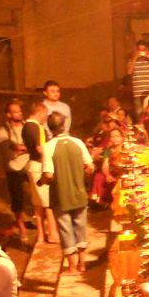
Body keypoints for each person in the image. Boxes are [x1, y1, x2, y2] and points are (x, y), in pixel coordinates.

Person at [41, 112, 92, 274]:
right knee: (80, 227)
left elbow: (48, 174)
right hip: (79, 193)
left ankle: (72, 266)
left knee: (65, 229)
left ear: (50, 129)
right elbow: (90, 166)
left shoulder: (48, 147)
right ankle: (83, 263)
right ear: (64, 125)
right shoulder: (77, 143)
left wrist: (43, 180)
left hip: (60, 196)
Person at [22, 99, 57, 244]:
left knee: (38, 204)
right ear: (40, 113)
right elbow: (40, 148)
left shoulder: (26, 127)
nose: (46, 118)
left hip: (33, 166)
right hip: (39, 167)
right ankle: (53, 234)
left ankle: (41, 235)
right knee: (47, 203)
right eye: (45, 115)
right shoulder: (36, 127)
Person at [0, 99, 31, 240]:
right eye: (15, 112)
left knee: (39, 194)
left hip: (29, 165)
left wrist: (20, 148)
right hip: (13, 168)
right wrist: (20, 148)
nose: (19, 114)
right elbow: (8, 150)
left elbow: (33, 145)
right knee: (17, 198)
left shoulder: (27, 126)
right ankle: (21, 226)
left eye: (20, 111)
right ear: (8, 115)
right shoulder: (3, 130)